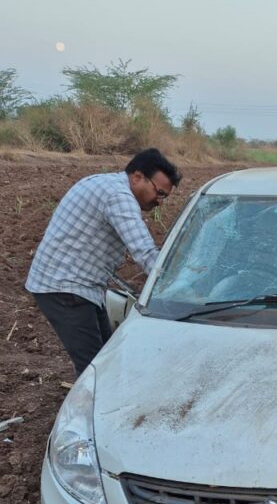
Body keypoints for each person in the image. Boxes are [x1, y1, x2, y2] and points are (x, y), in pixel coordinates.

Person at [26, 148, 182, 376]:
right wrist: (182, 286)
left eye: (164, 197)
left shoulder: (105, 183)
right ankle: (87, 410)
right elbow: (146, 253)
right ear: (137, 177)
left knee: (105, 359)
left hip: (78, 285)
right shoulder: (118, 197)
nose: (159, 201)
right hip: (64, 287)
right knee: (94, 371)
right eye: (159, 193)